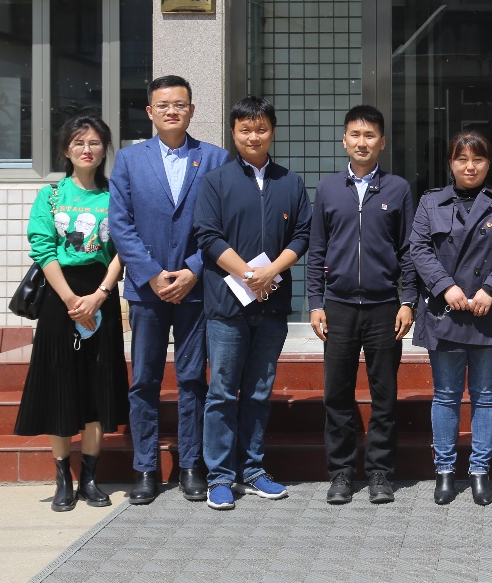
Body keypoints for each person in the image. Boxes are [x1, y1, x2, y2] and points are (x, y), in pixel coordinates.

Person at [109, 75, 225, 505]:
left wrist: (194, 269)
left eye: (180, 104)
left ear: (192, 110)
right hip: (147, 292)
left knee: (193, 379)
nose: (172, 111)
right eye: (163, 105)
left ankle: (192, 465)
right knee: (145, 379)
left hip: (196, 290)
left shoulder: (214, 158)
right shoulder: (129, 160)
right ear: (150, 112)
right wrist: (152, 274)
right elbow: (120, 224)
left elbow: (222, 224)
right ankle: (146, 468)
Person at [192, 97, 311, 511]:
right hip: (227, 305)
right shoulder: (216, 181)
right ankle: (219, 476)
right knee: (223, 391)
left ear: (272, 131)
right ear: (233, 133)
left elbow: (302, 235)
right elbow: (207, 235)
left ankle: (254, 469)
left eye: (261, 129)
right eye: (245, 129)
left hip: (272, 304)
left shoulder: (290, 182)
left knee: (260, 391)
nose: (253, 136)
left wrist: (270, 272)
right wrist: (248, 275)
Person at [14, 112, 129, 512]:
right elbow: (43, 249)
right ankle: (64, 477)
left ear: (104, 149)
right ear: (66, 149)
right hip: (58, 298)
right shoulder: (50, 196)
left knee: (97, 386)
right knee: (60, 383)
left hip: (101, 294)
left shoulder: (116, 196)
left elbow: (123, 250)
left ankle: (91, 478)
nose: (87, 149)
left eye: (94, 142)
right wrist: (69, 301)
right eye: (78, 142)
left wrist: (99, 295)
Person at [408, 131, 492, 506]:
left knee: (486, 396)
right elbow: (418, 249)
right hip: (446, 310)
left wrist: (491, 288)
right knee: (445, 396)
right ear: (451, 163)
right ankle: (444, 471)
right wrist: (445, 287)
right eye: (462, 159)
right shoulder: (431, 202)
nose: (470, 166)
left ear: (489, 164)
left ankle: (479, 471)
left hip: (489, 311)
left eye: (478, 159)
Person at [307, 105, 416, 505]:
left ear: (382, 142)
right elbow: (317, 250)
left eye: (370, 135)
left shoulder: (398, 189)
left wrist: (408, 300)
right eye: (355, 134)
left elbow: (408, 251)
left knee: (384, 394)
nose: (362, 142)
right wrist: (315, 303)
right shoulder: (327, 189)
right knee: (337, 393)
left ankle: (380, 472)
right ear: (344, 140)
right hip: (337, 306)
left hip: (384, 306)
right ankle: (340, 472)